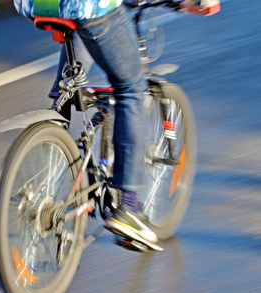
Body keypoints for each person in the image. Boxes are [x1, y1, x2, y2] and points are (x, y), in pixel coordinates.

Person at [13, 0, 220, 251]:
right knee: (131, 88)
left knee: (70, 83)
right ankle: (129, 208)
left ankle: (48, 164)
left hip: (40, 4)